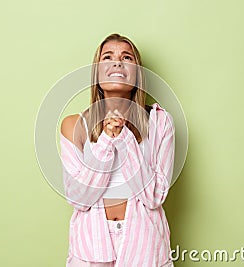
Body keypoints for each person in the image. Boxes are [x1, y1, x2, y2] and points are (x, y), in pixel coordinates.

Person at [60, 33, 175, 267]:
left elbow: (155, 196)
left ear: (137, 73)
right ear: (97, 71)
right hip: (90, 248)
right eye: (107, 57)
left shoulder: (160, 122)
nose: (117, 62)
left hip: (146, 245)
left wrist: (124, 140)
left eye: (127, 57)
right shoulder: (73, 125)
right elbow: (79, 198)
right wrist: (105, 142)